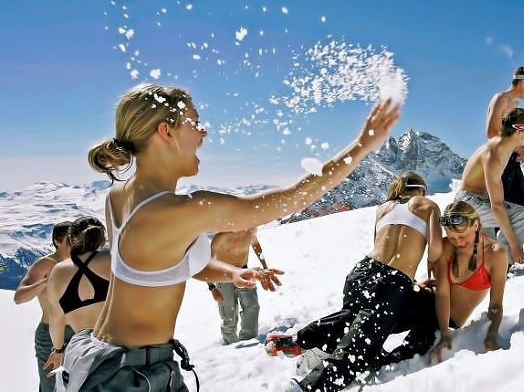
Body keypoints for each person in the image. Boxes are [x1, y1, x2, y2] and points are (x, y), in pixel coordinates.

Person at [61, 83, 398, 392]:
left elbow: (156, 267)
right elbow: (292, 199)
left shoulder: (120, 197)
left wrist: (232, 273)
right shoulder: (180, 210)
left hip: (107, 357)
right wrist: (362, 144)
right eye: (194, 121)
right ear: (166, 131)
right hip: (129, 377)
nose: (203, 130)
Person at [266, 171, 443, 392]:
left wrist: (408, 283)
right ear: (423, 191)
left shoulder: (384, 208)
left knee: (355, 319)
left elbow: (382, 249)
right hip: (392, 282)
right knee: (361, 346)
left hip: (362, 273)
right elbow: (435, 251)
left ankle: (302, 340)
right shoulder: (427, 205)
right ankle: (308, 388)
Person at [429, 201, 508, 362]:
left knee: (408, 351)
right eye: (452, 237)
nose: (458, 242)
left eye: (462, 236)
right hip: (430, 305)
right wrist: (444, 333)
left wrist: (491, 335)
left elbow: (495, 305)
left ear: (475, 225)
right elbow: (443, 294)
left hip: (449, 321)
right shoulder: (446, 246)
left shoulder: (495, 254)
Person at [455, 107, 524, 265]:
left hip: (475, 201)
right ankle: (506, 262)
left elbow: (515, 146)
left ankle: (492, 266)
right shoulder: (494, 154)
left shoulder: (502, 144)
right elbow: (497, 205)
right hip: (470, 204)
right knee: (521, 215)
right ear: (520, 131)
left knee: (487, 252)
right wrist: (515, 246)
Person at [44, 216, 110, 387]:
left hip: (81, 355)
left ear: (71, 239)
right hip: (118, 348)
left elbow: (56, 321)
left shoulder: (59, 271)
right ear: (102, 239)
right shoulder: (113, 260)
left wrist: (58, 351)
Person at [13, 221, 75, 392]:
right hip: (49, 335)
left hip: (80, 333)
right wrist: (45, 282)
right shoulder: (45, 264)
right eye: (71, 239)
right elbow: (19, 297)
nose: (76, 243)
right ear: (57, 241)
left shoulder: (83, 262)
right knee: (50, 386)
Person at [485, 66, 524, 211]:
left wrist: (522, 151)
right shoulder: (501, 99)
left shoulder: (514, 104)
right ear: (523, 82)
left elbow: (508, 136)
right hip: (501, 165)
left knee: (523, 212)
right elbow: (492, 132)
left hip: (512, 162)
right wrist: (519, 149)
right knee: (503, 214)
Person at [207, 229, 269, 344]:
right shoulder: (221, 235)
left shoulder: (249, 230)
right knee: (228, 314)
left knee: (252, 307)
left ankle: (249, 341)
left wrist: (265, 267)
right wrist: (212, 288)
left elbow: (256, 245)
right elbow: (208, 262)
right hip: (224, 276)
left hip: (244, 272)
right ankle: (230, 345)